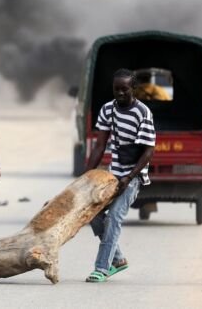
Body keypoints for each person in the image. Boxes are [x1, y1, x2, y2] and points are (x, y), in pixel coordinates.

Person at [84, 69, 156, 283]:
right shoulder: (107, 110)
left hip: (134, 177)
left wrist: (129, 177)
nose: (120, 93)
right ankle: (118, 259)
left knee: (114, 217)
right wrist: (86, 177)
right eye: (117, 89)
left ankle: (102, 268)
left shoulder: (143, 113)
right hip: (114, 175)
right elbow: (99, 146)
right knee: (92, 212)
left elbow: (148, 151)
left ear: (133, 88)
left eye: (125, 89)